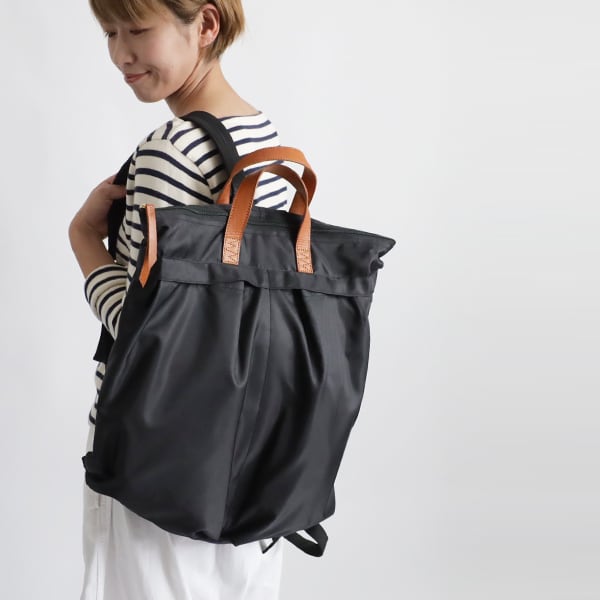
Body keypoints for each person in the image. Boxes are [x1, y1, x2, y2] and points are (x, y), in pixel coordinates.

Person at [68, 1, 287, 598]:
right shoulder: (263, 136)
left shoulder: (172, 149)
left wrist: (84, 238)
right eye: (110, 32)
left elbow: (148, 334)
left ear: (206, 25)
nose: (121, 53)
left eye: (139, 30)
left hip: (157, 451)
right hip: (255, 451)